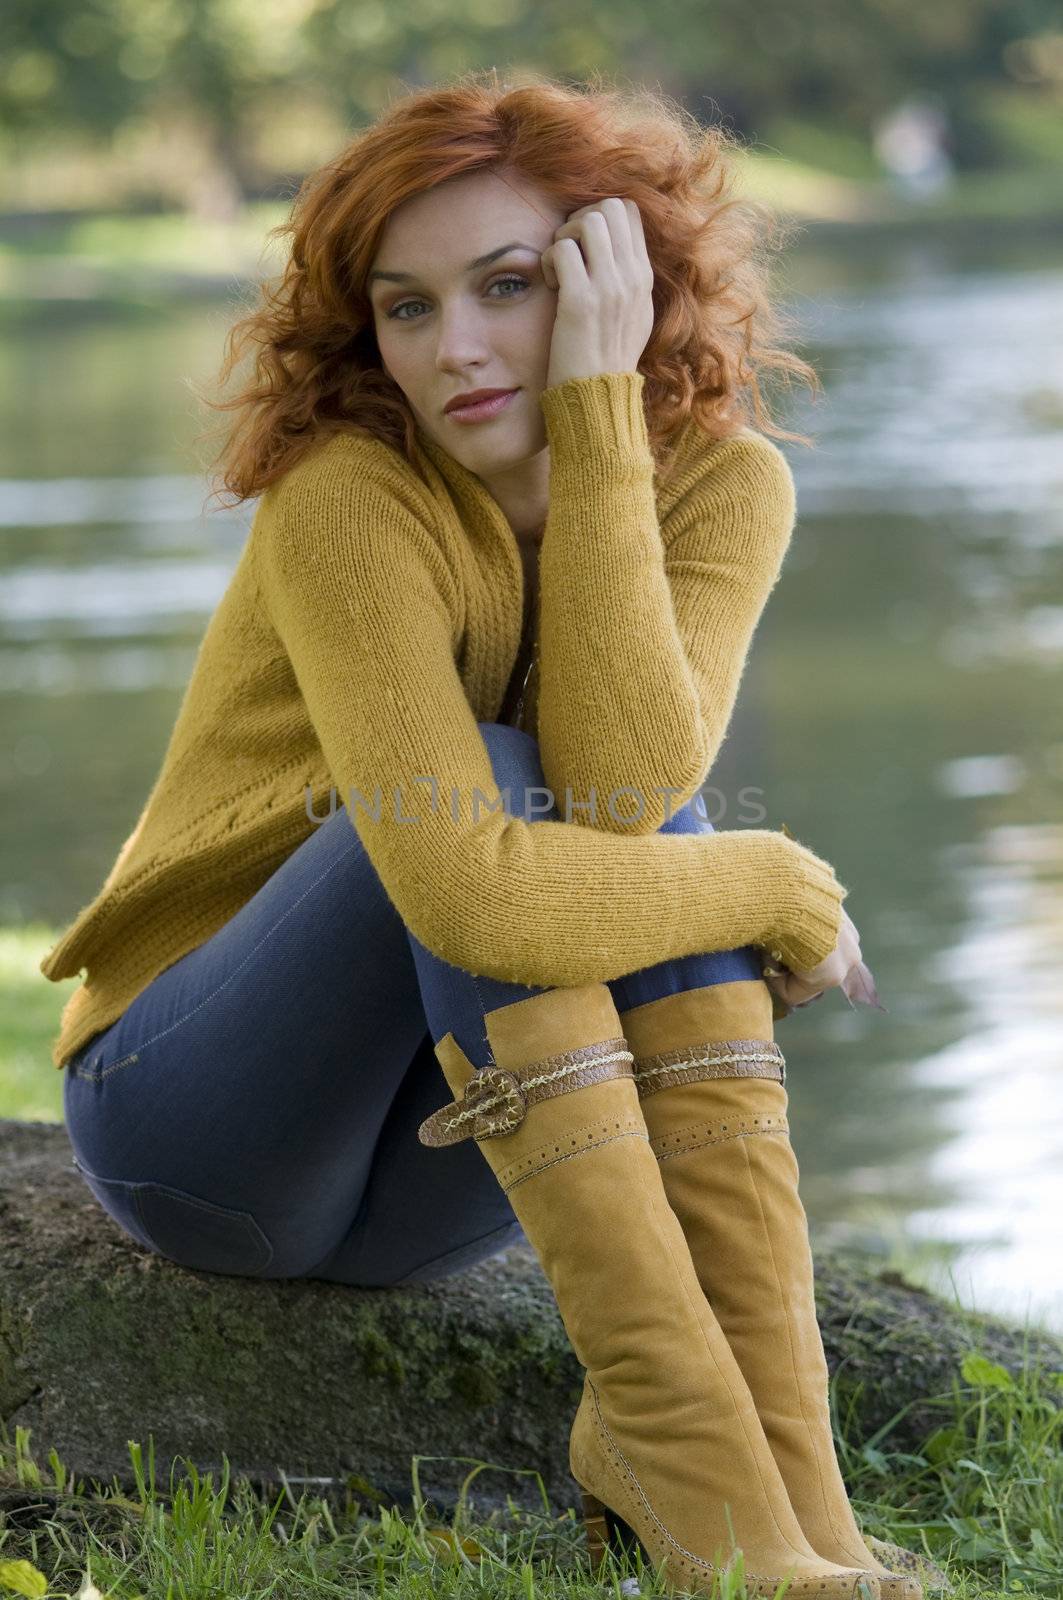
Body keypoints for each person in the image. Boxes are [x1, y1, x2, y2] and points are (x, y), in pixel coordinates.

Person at [41, 69, 916, 1600]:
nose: (457, 349)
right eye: (408, 305)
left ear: (615, 281)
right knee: (529, 801)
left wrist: (598, 426)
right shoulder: (347, 499)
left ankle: (783, 1492)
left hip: (444, 1176)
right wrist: (774, 879)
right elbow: (472, 892)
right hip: (198, 1124)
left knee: (646, 827)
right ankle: (695, 1461)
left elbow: (628, 788)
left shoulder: (728, 488)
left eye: (510, 288)